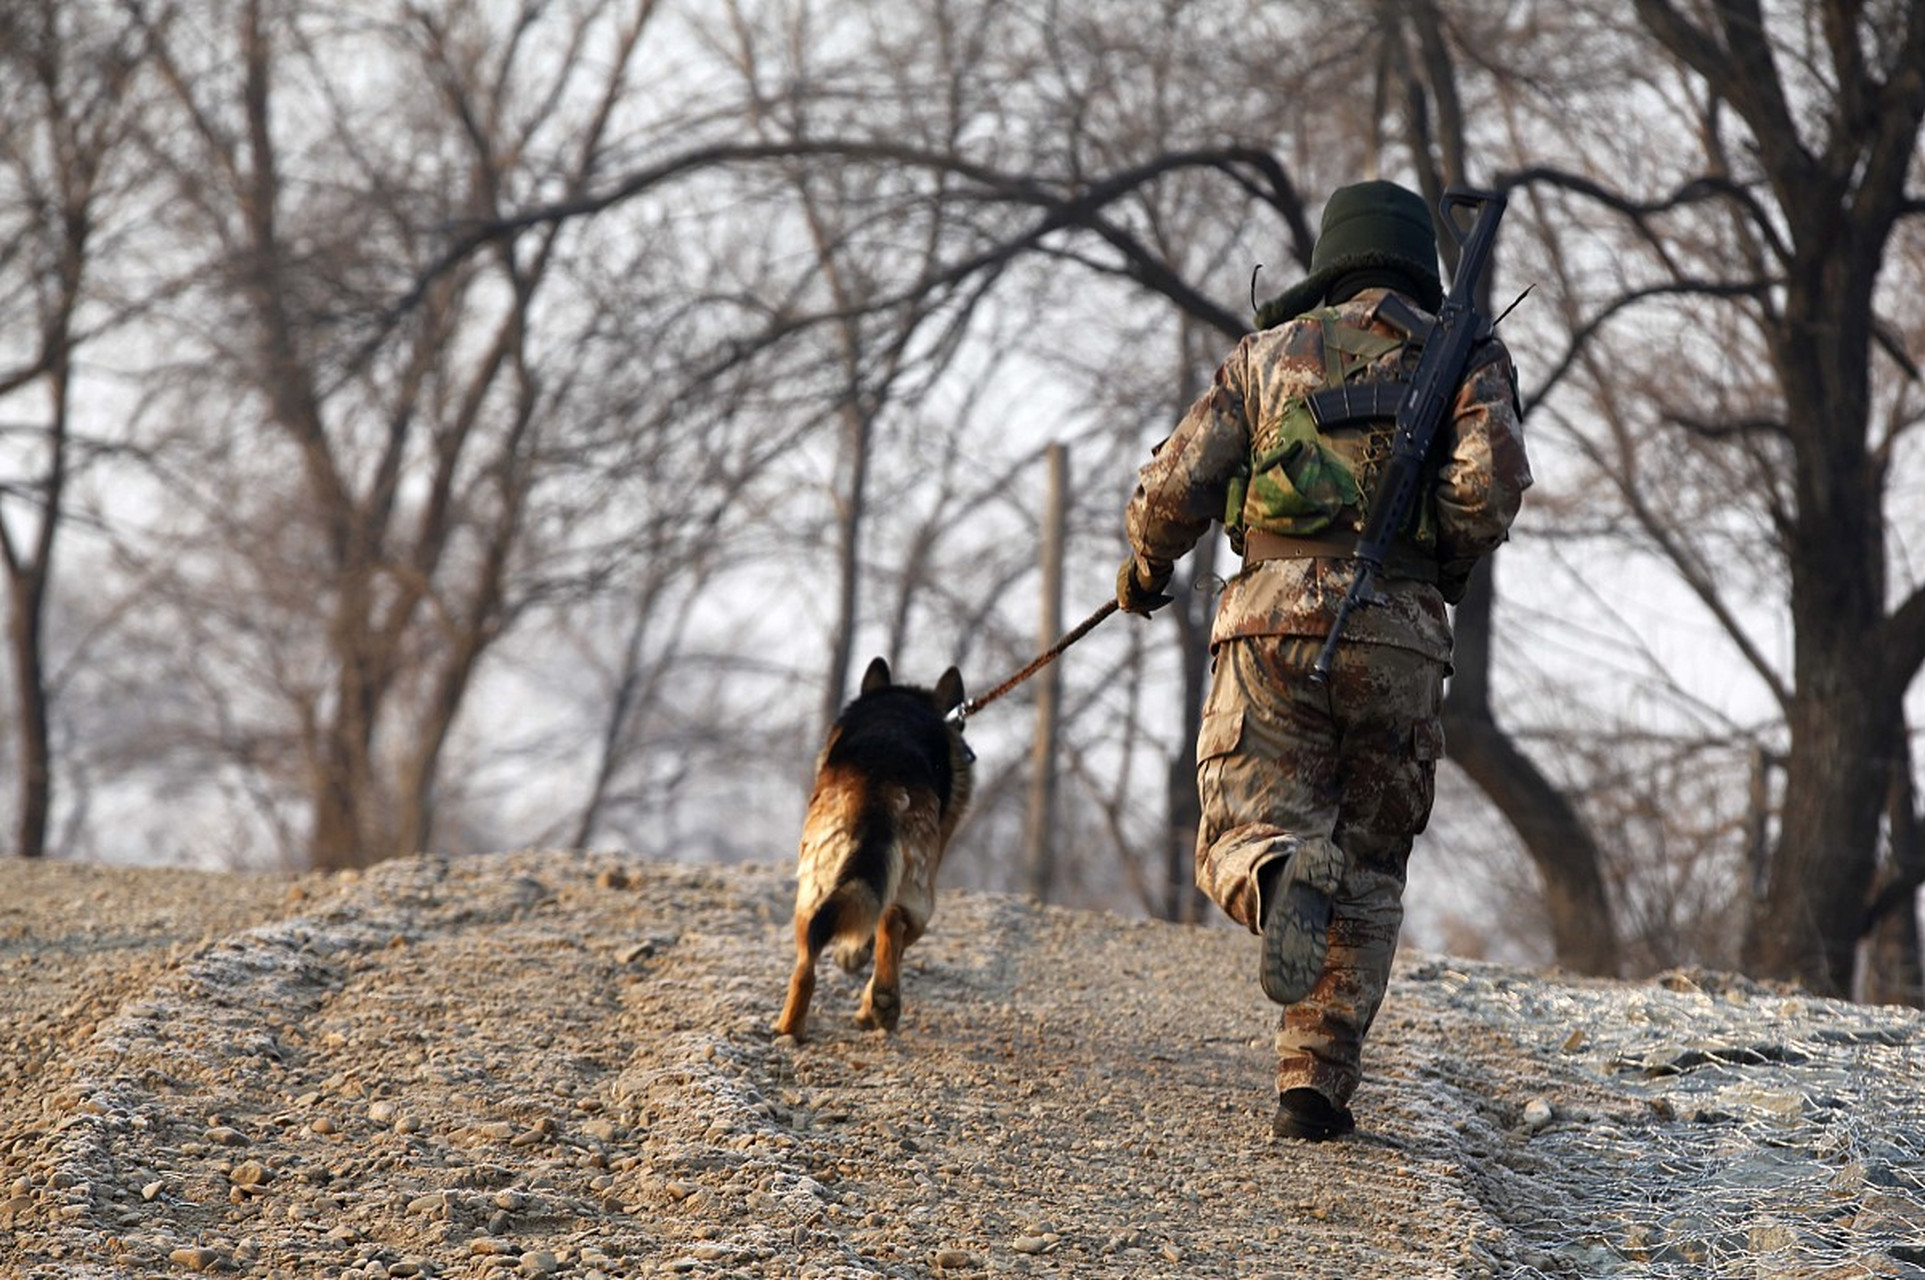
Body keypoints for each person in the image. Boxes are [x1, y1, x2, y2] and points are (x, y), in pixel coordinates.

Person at [1115, 178, 1531, 1140]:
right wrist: (1439, 570)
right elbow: (1488, 491)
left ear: (1331, 262)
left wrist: (1144, 566)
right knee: (1373, 864)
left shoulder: (1263, 356)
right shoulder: (1464, 355)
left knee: (1241, 831)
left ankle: (1274, 876)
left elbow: (1173, 488)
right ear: (1414, 266)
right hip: (1399, 637)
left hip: (1269, 625)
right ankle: (1311, 1083)